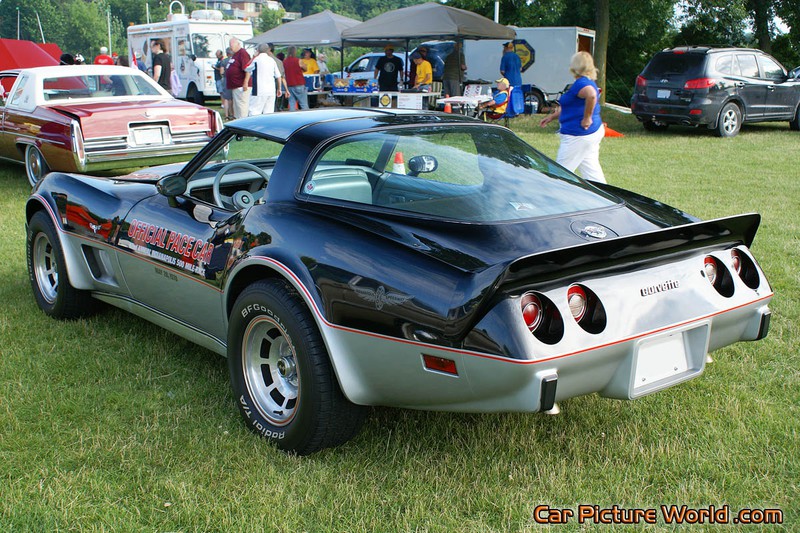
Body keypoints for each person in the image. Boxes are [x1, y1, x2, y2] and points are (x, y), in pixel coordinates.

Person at [539, 51, 606, 183]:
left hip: (578, 135)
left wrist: (587, 118)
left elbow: (591, 95)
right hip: (589, 134)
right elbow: (572, 105)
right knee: (593, 175)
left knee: (559, 175)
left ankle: (550, 199)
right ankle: (606, 198)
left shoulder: (582, 83)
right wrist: (552, 117)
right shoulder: (586, 81)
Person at [244, 43, 284, 116]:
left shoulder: (256, 60)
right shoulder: (272, 60)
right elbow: (278, 76)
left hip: (258, 90)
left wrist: (253, 57)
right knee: (269, 113)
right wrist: (279, 88)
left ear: (258, 50)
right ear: (268, 50)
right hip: (271, 90)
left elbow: (246, 68)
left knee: (254, 111)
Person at [226, 37, 251, 119]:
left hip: (241, 85)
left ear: (238, 44)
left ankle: (243, 122)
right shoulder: (235, 54)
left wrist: (245, 82)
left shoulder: (243, 53)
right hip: (235, 86)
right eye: (230, 45)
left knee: (242, 107)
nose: (231, 47)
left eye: (232, 45)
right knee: (237, 108)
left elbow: (247, 69)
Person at [283, 46, 309, 111]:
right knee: (303, 104)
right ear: (295, 52)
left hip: (289, 85)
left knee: (292, 104)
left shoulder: (284, 62)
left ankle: (292, 119)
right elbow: (305, 69)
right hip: (299, 83)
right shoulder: (298, 60)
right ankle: (307, 118)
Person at [218, 48, 234, 119]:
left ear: (227, 54)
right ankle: (232, 113)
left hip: (226, 80)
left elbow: (221, 72)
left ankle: (226, 115)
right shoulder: (234, 61)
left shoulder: (224, 61)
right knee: (232, 99)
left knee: (226, 99)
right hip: (233, 80)